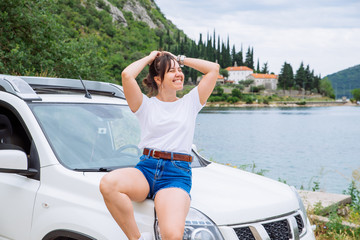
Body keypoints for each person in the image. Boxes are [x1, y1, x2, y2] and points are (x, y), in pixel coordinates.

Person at [99, 51, 219, 240]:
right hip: (146, 169)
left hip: (176, 175)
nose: (179, 73)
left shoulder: (191, 103)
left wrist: (178, 59)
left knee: (171, 234)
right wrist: (150, 57)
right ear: (158, 78)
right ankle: (136, 238)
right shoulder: (144, 105)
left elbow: (213, 69)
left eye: (180, 70)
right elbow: (127, 75)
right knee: (109, 184)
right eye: (172, 71)